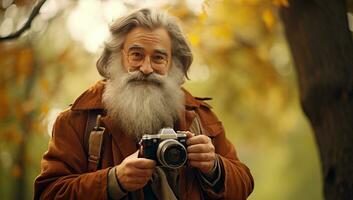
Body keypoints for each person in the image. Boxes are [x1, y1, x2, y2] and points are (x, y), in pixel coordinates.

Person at [34, 8, 254, 200]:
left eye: (158, 58)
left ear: (172, 63)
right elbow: (48, 193)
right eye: (136, 54)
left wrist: (214, 167)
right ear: (118, 57)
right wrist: (114, 181)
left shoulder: (201, 118)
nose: (147, 68)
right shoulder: (77, 120)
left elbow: (244, 184)